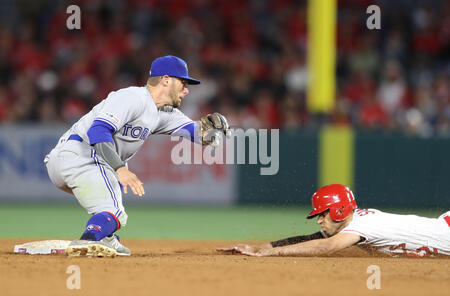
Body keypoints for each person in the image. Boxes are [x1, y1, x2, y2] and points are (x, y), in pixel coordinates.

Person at [45, 55, 231, 257]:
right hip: (81, 155)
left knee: (108, 205)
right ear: (166, 79)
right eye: (183, 83)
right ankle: (88, 240)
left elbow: (197, 133)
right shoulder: (133, 97)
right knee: (116, 213)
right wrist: (120, 168)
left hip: (73, 163)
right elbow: (98, 131)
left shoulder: (164, 114)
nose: (186, 90)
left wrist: (213, 131)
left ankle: (108, 238)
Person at [218, 184, 450, 257]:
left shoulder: (361, 225)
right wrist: (260, 247)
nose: (319, 220)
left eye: (322, 213)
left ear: (339, 210)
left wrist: (270, 253)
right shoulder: (354, 222)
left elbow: (326, 246)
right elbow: (309, 239)